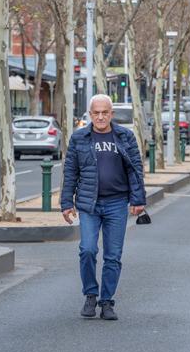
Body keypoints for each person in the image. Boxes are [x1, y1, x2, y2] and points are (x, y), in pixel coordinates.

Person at [61, 94, 146, 321]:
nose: (100, 116)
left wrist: (138, 200)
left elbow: (135, 169)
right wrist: (66, 203)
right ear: (90, 115)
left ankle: (107, 301)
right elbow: (70, 171)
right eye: (96, 113)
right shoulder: (79, 138)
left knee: (113, 256)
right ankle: (90, 295)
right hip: (89, 204)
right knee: (87, 249)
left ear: (111, 114)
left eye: (105, 112)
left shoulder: (125, 136)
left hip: (117, 204)